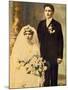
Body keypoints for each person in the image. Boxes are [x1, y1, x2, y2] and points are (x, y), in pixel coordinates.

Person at [37, 3, 63, 86]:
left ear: (52, 12)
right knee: (45, 77)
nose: (47, 13)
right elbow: (37, 39)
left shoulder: (57, 25)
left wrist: (59, 56)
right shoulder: (41, 24)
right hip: (43, 55)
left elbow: (60, 41)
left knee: (53, 77)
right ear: (44, 12)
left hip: (54, 55)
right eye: (46, 11)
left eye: (49, 11)